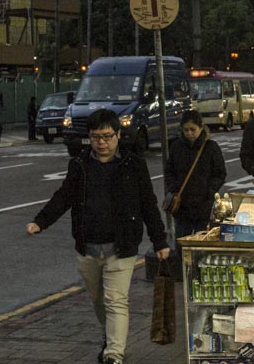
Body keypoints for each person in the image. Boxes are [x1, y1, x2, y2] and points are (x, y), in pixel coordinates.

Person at [26, 108, 170, 364]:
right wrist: (40, 221)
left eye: (106, 136)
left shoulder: (133, 164)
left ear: (118, 135)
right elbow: (64, 197)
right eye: (95, 137)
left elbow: (148, 203)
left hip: (121, 246)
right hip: (89, 247)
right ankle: (111, 334)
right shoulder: (80, 165)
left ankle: (114, 354)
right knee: (98, 301)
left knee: (115, 301)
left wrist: (159, 241)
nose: (101, 142)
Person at [164, 109, 227, 241]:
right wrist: (174, 188)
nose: (189, 133)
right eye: (185, 130)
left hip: (202, 205)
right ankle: (182, 262)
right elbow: (169, 170)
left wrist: (209, 191)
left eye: (193, 129)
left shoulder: (211, 147)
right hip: (182, 205)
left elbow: (220, 173)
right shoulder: (176, 146)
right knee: (182, 242)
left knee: (201, 242)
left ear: (201, 128)